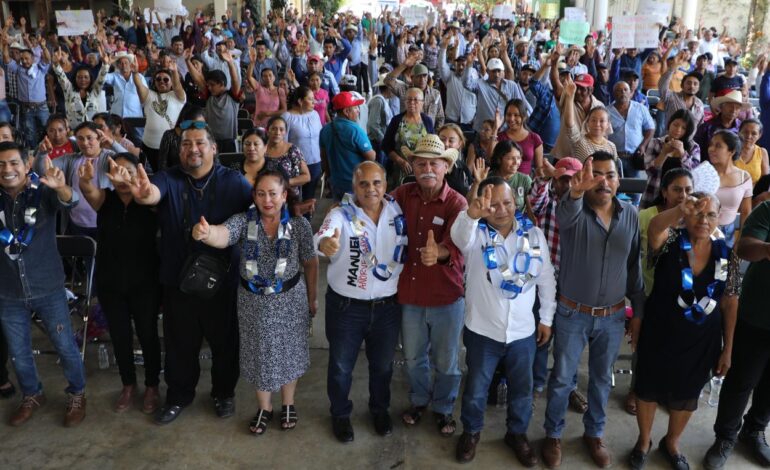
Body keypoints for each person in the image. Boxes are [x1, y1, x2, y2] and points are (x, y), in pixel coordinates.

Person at [109, 124, 252, 425]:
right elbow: (151, 194)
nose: (192, 149)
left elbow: (256, 219)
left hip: (221, 281)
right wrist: (143, 193)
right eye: (186, 144)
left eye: (200, 143)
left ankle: (223, 393)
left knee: (225, 343)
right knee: (179, 344)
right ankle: (178, 396)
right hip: (177, 279)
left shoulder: (235, 182)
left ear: (214, 148)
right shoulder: (168, 177)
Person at [190, 168, 318, 436]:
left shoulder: (299, 226)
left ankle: (288, 403)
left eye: (273, 193)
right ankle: (264, 407)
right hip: (253, 304)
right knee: (258, 353)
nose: (267, 200)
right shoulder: (243, 221)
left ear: (284, 195)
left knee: (290, 352)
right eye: (261, 194)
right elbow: (223, 235)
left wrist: (312, 297)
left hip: (290, 301)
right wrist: (206, 233)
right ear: (254, 196)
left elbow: (310, 262)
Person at [542, 152, 645, 469]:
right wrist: (575, 191)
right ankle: (553, 435)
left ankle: (594, 434)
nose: (603, 181)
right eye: (596, 174)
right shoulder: (572, 211)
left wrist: (638, 313)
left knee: (601, 380)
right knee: (563, 378)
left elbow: (634, 267)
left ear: (618, 180)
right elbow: (565, 214)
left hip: (612, 317)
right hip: (572, 313)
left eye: (609, 174)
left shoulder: (630, 215)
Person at [451, 177, 557, 466]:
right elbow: (459, 237)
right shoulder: (475, 235)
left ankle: (517, 433)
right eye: (493, 204)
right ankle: (471, 432)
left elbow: (546, 279)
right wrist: (472, 214)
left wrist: (546, 319)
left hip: (523, 332)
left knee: (522, 390)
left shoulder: (533, 234)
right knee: (476, 389)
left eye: (507, 203)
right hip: (482, 331)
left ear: (516, 202)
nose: (501, 210)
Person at [629, 193, 739, 470]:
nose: (703, 220)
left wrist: (728, 348)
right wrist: (680, 208)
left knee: (687, 393)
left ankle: (672, 442)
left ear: (719, 218)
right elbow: (655, 227)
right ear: (687, 215)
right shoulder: (670, 242)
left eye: (710, 214)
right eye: (697, 213)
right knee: (647, 387)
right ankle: (644, 441)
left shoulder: (726, 254)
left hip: (702, 339)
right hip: (659, 331)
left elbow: (730, 301)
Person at [315, 161, 404, 442]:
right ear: (354, 187)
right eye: (363, 184)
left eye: (376, 183)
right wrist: (325, 244)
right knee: (341, 367)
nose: (370, 189)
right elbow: (323, 235)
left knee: (383, 366)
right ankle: (340, 414)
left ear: (385, 185)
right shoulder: (340, 214)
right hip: (346, 308)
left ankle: (379, 410)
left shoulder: (397, 211)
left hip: (387, 307)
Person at [0, 142, 87, 427]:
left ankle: (77, 393)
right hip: (8, 292)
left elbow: (71, 201)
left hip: (48, 288)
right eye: (1, 164)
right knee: (18, 353)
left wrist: (62, 188)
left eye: (14, 162)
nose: (7, 169)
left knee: (65, 346)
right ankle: (32, 394)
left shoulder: (43, 191)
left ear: (27, 165)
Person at [391, 134, 467, 438]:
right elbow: (375, 209)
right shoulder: (401, 195)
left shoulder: (457, 203)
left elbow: (459, 244)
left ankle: (444, 407)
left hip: (445, 295)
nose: (427, 169)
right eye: (421, 163)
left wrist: (440, 253)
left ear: (446, 167)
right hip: (409, 294)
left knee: (447, 361)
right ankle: (420, 400)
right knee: (413, 357)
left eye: (434, 164)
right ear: (412, 166)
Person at [78, 153, 161, 414]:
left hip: (145, 281)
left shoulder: (148, 201)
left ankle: (152, 385)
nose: (123, 177)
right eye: (117, 171)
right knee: (120, 335)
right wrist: (85, 181)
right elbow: (88, 190)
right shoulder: (106, 198)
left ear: (139, 173)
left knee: (147, 334)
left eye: (129, 171)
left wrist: (137, 187)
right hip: (110, 281)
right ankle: (128, 384)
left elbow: (153, 200)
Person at [703, 199, 770, 470]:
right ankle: (725, 436)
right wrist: (767, 248)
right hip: (758, 314)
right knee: (742, 379)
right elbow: (744, 248)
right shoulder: (767, 210)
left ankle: (754, 429)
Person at [319, 92, 376, 200]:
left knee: (341, 209)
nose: (358, 111)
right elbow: (371, 157)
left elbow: (324, 158)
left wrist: (329, 177)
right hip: (355, 183)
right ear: (346, 111)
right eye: (355, 108)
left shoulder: (325, 129)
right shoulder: (355, 130)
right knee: (356, 210)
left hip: (336, 183)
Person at [641, 110, 701, 208]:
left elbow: (694, 175)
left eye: (683, 128)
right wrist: (664, 153)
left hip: (682, 198)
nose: (678, 129)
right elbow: (649, 171)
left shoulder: (693, 147)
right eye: (675, 125)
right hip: (654, 193)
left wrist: (682, 154)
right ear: (669, 124)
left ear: (688, 131)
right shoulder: (655, 143)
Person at [134, 64, 186, 172]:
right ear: (154, 82)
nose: (162, 81)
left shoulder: (178, 96)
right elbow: (139, 85)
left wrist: (174, 71)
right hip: (149, 145)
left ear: (171, 82)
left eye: (166, 79)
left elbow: (177, 85)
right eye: (158, 79)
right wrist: (135, 73)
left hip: (171, 146)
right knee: (153, 175)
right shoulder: (149, 95)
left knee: (172, 174)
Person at [186, 52, 241, 153]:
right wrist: (187, 61)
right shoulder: (209, 96)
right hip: (211, 140)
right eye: (208, 85)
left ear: (221, 84)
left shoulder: (232, 96)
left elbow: (235, 80)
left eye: (212, 85)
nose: (209, 88)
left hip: (229, 141)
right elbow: (197, 79)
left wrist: (230, 62)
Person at [2, 42, 52, 148]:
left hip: (42, 107)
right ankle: (33, 153)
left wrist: (43, 46)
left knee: (48, 129)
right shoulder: (19, 69)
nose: (24, 61)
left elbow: (48, 59)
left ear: (32, 58)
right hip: (26, 108)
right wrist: (5, 44)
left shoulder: (40, 68)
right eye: (22, 59)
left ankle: (49, 150)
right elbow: (6, 58)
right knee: (30, 133)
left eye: (27, 58)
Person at [382, 87, 434, 188]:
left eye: (416, 100)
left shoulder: (427, 121)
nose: (412, 102)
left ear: (422, 103)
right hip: (399, 170)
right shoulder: (396, 120)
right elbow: (385, 145)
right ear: (405, 102)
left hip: (422, 170)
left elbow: (432, 146)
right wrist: (400, 161)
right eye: (409, 99)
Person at [709, 130, 753, 248]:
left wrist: (740, 240)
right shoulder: (703, 173)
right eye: (711, 145)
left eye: (718, 146)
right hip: (703, 229)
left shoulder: (744, 177)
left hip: (728, 233)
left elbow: (746, 212)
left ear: (732, 151)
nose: (711, 149)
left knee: (724, 260)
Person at [463, 56, 530, 132]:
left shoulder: (512, 85)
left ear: (503, 71)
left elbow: (519, 106)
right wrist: (469, 65)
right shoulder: (480, 84)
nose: (496, 74)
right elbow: (466, 84)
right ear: (487, 71)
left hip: (505, 130)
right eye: (493, 71)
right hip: (483, 131)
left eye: (499, 71)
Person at [562, 76, 618, 162]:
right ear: (587, 122)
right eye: (593, 120)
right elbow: (570, 126)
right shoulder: (580, 143)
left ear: (608, 124)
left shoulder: (611, 146)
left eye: (602, 121)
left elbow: (614, 168)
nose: (597, 124)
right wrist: (569, 97)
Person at [608, 81, 655, 181]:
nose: (623, 92)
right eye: (619, 90)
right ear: (614, 94)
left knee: (634, 188)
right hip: (614, 158)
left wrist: (643, 145)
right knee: (615, 186)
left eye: (625, 90)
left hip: (634, 157)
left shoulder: (640, 108)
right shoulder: (607, 111)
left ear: (630, 93)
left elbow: (650, 128)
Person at [282, 86, 322, 202]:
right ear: (300, 101)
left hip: (315, 162)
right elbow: (283, 143)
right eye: (310, 99)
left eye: (314, 98)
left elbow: (320, 137)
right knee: (294, 199)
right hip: (295, 165)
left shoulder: (315, 115)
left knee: (309, 199)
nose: (314, 102)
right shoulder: (287, 117)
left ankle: (307, 214)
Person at [51, 50, 109, 129]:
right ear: (75, 79)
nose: (83, 80)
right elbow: (61, 77)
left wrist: (105, 64)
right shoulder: (69, 89)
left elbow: (102, 77)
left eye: (86, 77)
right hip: (74, 131)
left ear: (90, 79)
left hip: (93, 131)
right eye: (79, 77)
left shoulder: (95, 90)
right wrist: (56, 64)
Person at [385, 59, 445, 127]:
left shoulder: (435, 94)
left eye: (424, 76)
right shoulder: (405, 90)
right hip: (407, 131)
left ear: (428, 77)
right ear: (412, 78)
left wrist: (435, 132)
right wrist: (404, 65)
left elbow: (440, 117)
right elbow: (387, 81)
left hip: (429, 132)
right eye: (418, 76)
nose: (422, 79)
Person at [438, 36, 477, 131]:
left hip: (468, 122)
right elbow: (442, 65)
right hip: (451, 120)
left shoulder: (474, 77)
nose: (460, 67)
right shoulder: (449, 76)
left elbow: (467, 79)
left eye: (463, 64)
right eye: (458, 64)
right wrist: (443, 48)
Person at [497, 98, 544, 176]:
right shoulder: (500, 137)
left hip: (526, 182)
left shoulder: (535, 138)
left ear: (524, 117)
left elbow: (539, 169)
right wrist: (495, 129)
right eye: (509, 115)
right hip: (503, 181)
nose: (512, 119)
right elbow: (490, 158)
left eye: (516, 115)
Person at [695, 90, 743, 161]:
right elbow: (697, 151)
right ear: (721, 107)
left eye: (737, 107)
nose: (733, 110)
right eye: (730, 106)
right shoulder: (706, 127)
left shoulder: (742, 127)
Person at [247, 47, 287, 128]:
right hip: (259, 125)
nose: (268, 78)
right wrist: (252, 62)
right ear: (262, 79)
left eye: (270, 75)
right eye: (265, 76)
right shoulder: (259, 88)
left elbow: (284, 110)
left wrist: (268, 114)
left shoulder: (280, 90)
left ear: (274, 77)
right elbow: (249, 77)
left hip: (274, 125)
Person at [157, 106, 206, 171]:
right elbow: (162, 165)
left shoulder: (207, 137)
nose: (195, 129)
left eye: (200, 125)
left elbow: (214, 163)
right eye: (190, 125)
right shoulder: (169, 136)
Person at [437, 124, 473, 196]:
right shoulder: (428, 164)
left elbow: (468, 196)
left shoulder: (462, 168)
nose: (446, 144)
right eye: (442, 139)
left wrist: (477, 182)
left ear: (459, 144)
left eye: (451, 141)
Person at [736, 119, 769, 184]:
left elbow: (765, 180)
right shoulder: (730, 150)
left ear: (759, 136)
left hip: (755, 190)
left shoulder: (762, 152)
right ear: (739, 132)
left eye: (754, 133)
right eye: (745, 132)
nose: (749, 136)